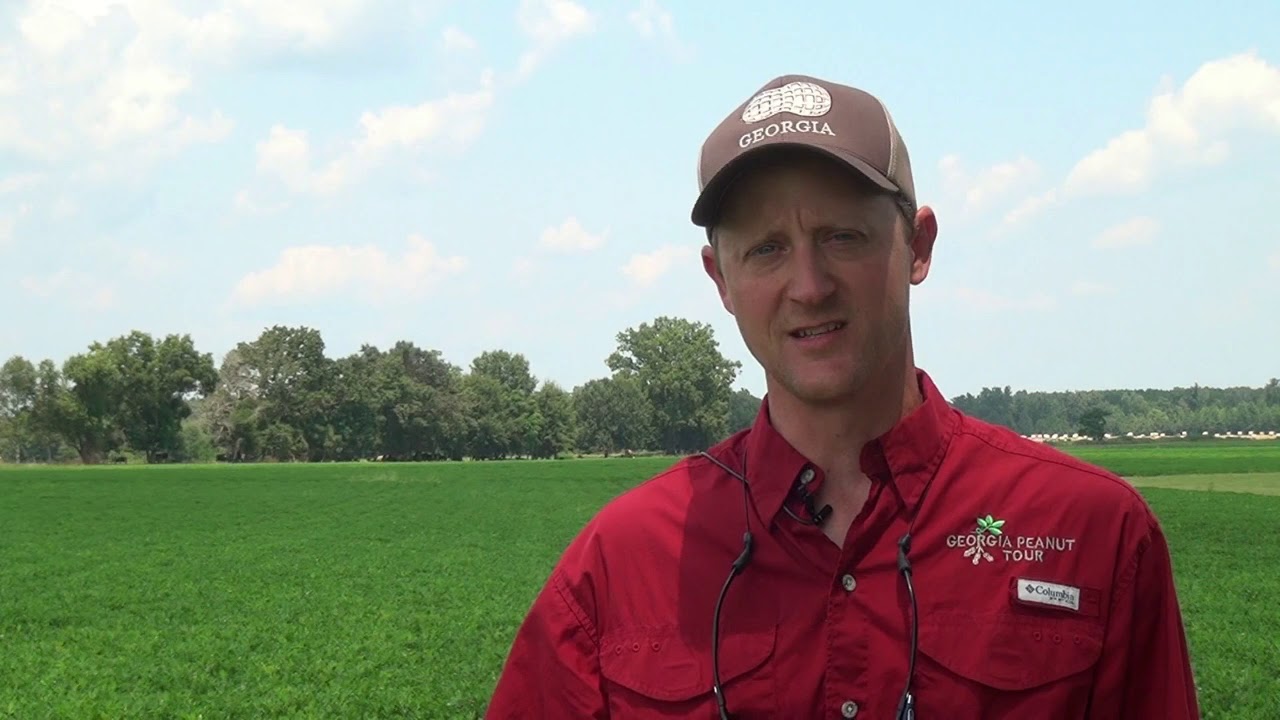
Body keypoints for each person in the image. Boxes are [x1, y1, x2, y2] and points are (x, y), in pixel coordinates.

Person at [484, 74, 1201, 719]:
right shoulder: (620, 563)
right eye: (766, 249)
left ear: (918, 246)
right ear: (720, 281)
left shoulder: (1092, 533)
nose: (809, 285)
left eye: (843, 236)